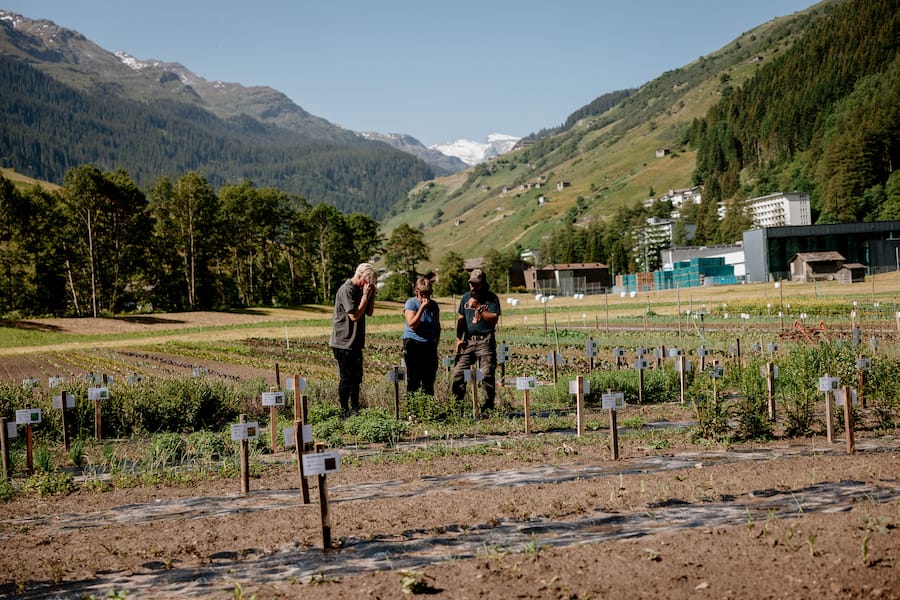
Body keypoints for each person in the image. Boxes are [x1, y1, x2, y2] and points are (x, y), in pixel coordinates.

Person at [329, 262, 378, 416]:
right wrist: (364, 295)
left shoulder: (361, 289)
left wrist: (371, 296)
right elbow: (355, 316)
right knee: (346, 379)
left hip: (356, 342)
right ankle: (344, 410)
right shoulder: (346, 290)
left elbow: (369, 312)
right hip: (343, 342)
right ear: (361, 276)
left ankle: (355, 408)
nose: (368, 284)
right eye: (368, 281)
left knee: (357, 379)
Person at [451, 268, 501, 413]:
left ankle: (487, 408)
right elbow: (461, 319)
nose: (472, 287)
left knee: (486, 374)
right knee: (458, 373)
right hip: (468, 341)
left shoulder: (491, 298)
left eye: (476, 284)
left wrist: (478, 307)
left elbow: (493, 319)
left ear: (483, 284)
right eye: (471, 284)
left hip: (485, 340)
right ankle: (457, 408)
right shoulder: (465, 298)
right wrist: (458, 339)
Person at [402, 276, 441, 395]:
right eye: (422, 293)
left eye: (428, 293)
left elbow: (437, 325)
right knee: (414, 378)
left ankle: (427, 408)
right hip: (413, 343)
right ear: (417, 291)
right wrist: (422, 308)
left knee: (429, 379)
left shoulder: (434, 306)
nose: (425, 296)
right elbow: (412, 324)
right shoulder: (411, 303)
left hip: (429, 344)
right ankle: (411, 410)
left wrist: (435, 341)